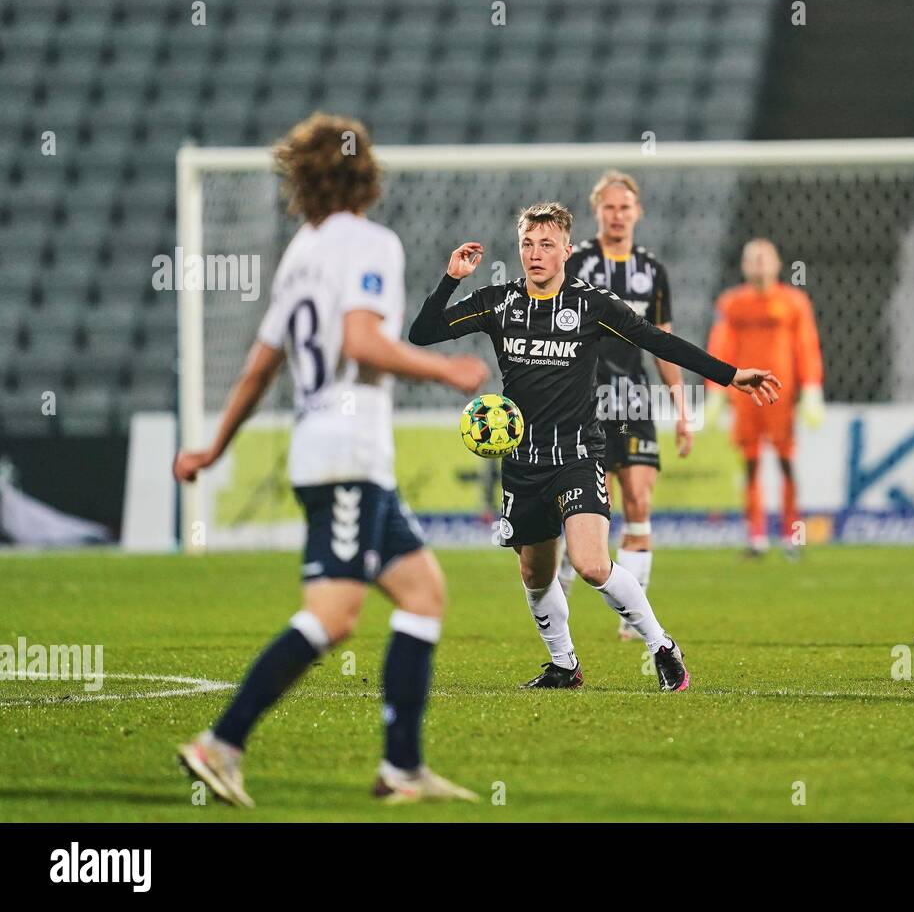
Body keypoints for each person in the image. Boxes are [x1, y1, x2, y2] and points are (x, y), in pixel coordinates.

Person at [172, 113, 489, 806]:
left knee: (422, 593)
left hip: (337, 453)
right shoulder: (371, 243)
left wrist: (211, 448)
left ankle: (401, 769)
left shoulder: (302, 251)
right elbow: (363, 342)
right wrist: (446, 372)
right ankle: (220, 743)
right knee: (335, 614)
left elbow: (260, 368)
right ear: (363, 174)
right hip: (346, 453)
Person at [409, 203, 780, 691]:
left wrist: (730, 375)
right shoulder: (498, 303)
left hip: (580, 454)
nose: (535, 254)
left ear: (566, 249)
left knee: (589, 563)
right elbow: (423, 333)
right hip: (522, 462)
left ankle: (661, 646)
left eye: (546, 244)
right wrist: (450, 278)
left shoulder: (591, 304)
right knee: (535, 573)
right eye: (527, 244)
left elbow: (657, 341)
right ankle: (565, 665)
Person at [559, 170, 690, 640]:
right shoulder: (577, 263)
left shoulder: (652, 270)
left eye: (625, 207)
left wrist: (680, 408)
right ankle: (560, 603)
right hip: (583, 399)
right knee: (587, 504)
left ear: (638, 213)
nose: (617, 215)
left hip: (632, 398)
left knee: (638, 501)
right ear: (598, 212)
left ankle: (631, 622)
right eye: (609, 207)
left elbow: (663, 342)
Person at [706, 239, 824, 557]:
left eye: (764, 259)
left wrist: (812, 388)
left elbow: (806, 346)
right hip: (746, 396)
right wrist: (715, 390)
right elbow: (721, 345)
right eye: (752, 259)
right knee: (751, 464)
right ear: (744, 266)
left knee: (786, 463)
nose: (759, 265)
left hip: (781, 396)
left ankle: (791, 534)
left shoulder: (794, 302)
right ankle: (756, 536)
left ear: (776, 264)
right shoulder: (732, 304)